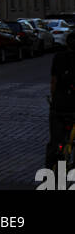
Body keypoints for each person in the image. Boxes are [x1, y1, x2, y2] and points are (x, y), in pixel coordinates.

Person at [46, 28, 75, 166]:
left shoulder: (58, 57)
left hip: (59, 105)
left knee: (55, 142)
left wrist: (54, 99)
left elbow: (54, 82)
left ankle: (52, 175)